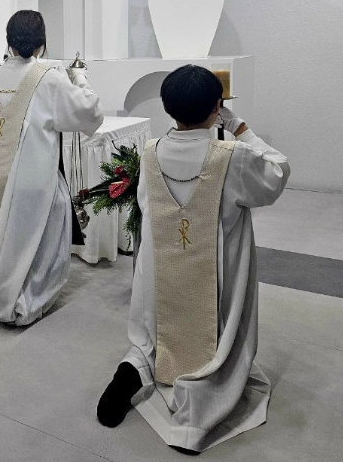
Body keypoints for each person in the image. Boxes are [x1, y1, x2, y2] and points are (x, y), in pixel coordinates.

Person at [96, 64, 290, 453]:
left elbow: (146, 206)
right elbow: (277, 173)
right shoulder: (232, 156)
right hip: (215, 270)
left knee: (156, 331)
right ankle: (197, 407)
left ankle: (136, 367)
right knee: (213, 338)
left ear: (167, 108)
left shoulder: (151, 151)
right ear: (217, 107)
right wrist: (239, 127)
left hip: (162, 266)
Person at [0, 10, 104, 326]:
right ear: (42, 43)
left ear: (9, 41)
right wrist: (80, 77)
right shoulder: (48, 78)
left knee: (4, 242)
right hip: (30, 181)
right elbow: (89, 113)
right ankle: (24, 301)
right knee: (45, 227)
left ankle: (2, 289)